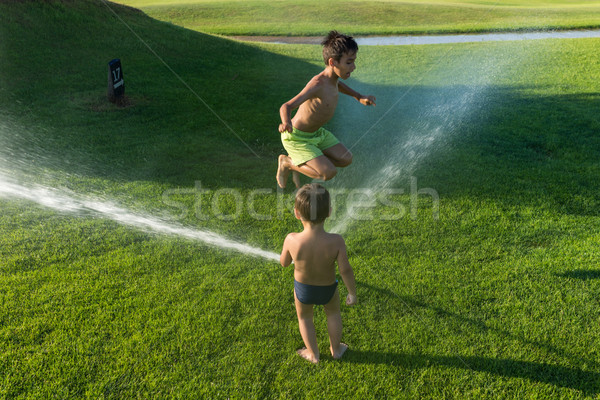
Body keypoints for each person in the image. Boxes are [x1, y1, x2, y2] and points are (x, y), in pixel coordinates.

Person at [276, 30, 376, 188]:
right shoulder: (317, 84)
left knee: (345, 159)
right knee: (328, 173)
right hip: (297, 138)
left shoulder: (333, 78)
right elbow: (286, 106)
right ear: (332, 62)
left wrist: (358, 96)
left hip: (317, 134)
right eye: (349, 62)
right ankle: (287, 162)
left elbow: (338, 85)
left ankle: (311, 159)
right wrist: (286, 122)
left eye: (354, 61)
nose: (353, 67)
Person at [280, 183, 358, 363]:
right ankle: (336, 349)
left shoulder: (291, 239)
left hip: (303, 290)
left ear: (297, 213)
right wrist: (352, 293)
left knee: (305, 317)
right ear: (329, 212)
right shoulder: (336, 241)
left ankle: (313, 354)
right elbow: (345, 270)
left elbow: (284, 263)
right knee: (333, 314)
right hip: (328, 289)